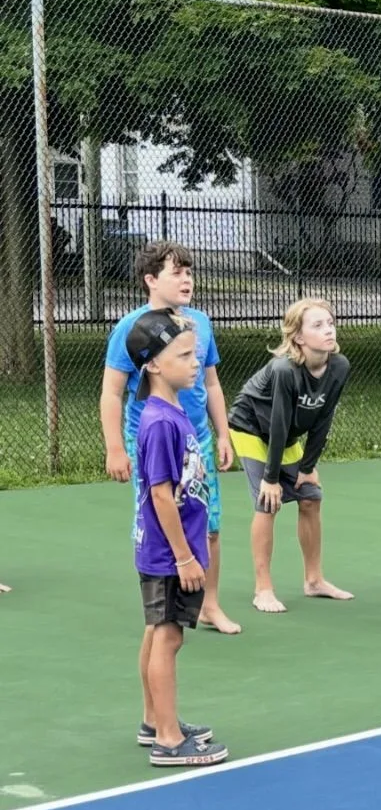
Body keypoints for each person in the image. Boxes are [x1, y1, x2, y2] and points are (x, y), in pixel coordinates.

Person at [100, 239, 240, 634]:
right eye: (176, 272)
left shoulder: (200, 322)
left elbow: (211, 383)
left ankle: (209, 604)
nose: (186, 279)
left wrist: (223, 433)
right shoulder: (131, 328)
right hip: (152, 439)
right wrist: (115, 448)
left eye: (189, 272)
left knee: (209, 522)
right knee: (158, 515)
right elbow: (112, 392)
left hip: (195, 438)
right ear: (150, 280)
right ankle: (158, 603)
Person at [128, 309, 228, 767]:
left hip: (167, 551)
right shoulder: (160, 422)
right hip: (171, 555)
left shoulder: (170, 412)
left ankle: (155, 720)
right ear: (153, 364)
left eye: (196, 354)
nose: (195, 363)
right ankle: (169, 739)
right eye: (184, 355)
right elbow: (162, 496)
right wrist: (187, 557)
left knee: (157, 631)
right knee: (169, 638)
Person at [227, 298, 352, 613]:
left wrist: (308, 467)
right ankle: (263, 589)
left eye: (330, 323)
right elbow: (279, 422)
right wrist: (271, 479)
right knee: (268, 503)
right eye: (317, 325)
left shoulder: (339, 366)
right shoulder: (284, 370)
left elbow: (324, 418)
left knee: (311, 497)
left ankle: (314, 581)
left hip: (285, 435)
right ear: (298, 336)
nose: (328, 330)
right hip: (252, 428)